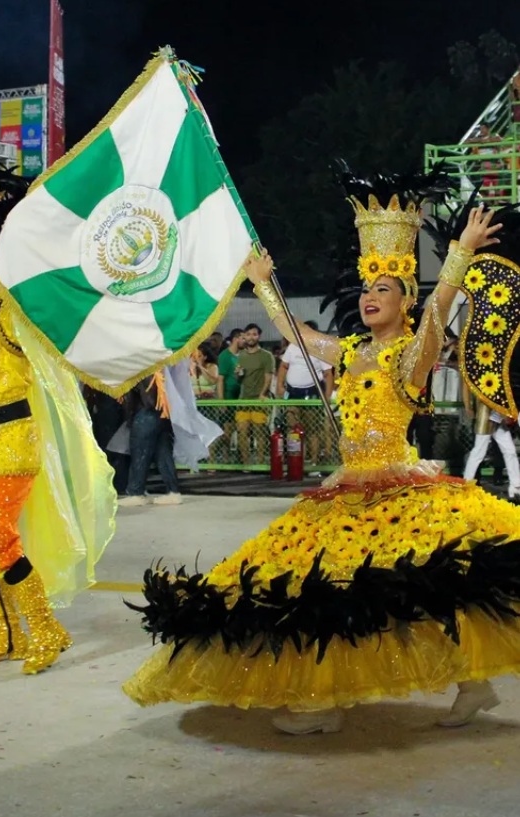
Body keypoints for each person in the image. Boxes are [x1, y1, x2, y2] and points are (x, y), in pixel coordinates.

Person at [123, 169, 520, 735]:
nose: (369, 296)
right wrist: (263, 281)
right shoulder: (350, 349)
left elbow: (437, 318)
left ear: (406, 301)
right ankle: (463, 688)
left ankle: (324, 704)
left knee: (407, 587)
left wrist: (457, 256)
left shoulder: (411, 353)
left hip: (400, 488)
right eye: (366, 287)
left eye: (384, 289)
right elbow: (299, 336)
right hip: (345, 485)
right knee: (328, 591)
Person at [0, 148, 116, 673]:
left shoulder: (11, 315)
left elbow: (54, 324)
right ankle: (5, 636)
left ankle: (47, 630)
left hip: (10, 444)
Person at [276, 319, 335, 465]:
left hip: (312, 393)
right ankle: (295, 461)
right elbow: (283, 366)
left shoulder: (319, 349)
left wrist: (327, 396)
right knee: (292, 428)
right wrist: (279, 385)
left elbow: (328, 374)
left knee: (312, 429)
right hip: (292, 393)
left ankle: (314, 462)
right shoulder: (293, 347)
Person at [119, 374, 183, 506]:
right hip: (163, 412)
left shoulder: (143, 368)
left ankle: (136, 492)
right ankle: (173, 491)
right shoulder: (162, 368)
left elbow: (145, 396)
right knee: (163, 453)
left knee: (139, 452)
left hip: (146, 412)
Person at [462, 382, 520, 502]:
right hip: (487, 415)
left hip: (498, 417)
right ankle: (466, 485)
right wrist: (468, 406)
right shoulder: (487, 375)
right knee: (479, 452)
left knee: (510, 451)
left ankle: (515, 487)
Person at [235, 322, 275, 464]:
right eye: (248, 334)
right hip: (243, 399)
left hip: (259, 400)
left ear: (259, 336)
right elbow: (239, 379)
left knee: (260, 432)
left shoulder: (266, 356)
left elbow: (268, 376)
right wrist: (238, 374)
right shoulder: (241, 356)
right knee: (242, 431)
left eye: (254, 334)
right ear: (244, 336)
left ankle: (260, 462)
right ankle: (246, 462)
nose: (251, 337)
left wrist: (262, 394)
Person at [216, 328, 245, 461]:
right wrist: (222, 401)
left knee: (240, 429)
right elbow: (220, 379)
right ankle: (225, 457)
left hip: (240, 398)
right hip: (228, 397)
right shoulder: (224, 356)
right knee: (227, 430)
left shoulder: (242, 355)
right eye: (242, 338)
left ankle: (238, 457)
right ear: (235, 339)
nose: (244, 341)